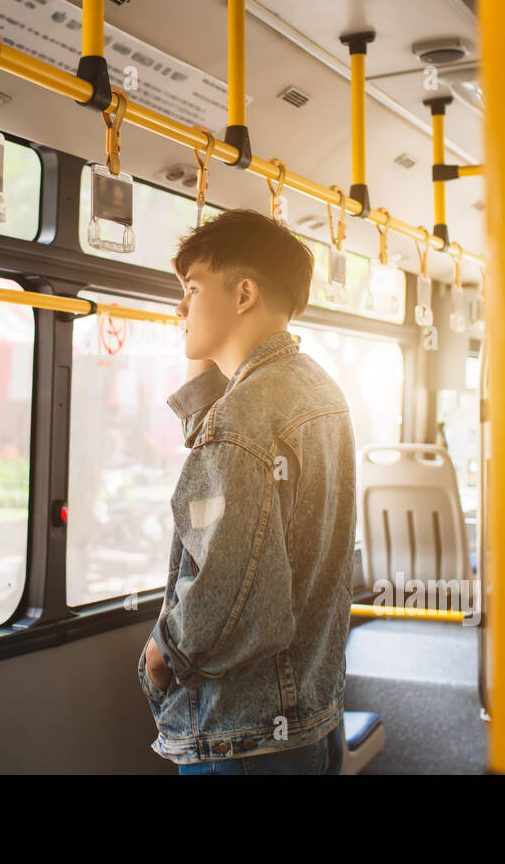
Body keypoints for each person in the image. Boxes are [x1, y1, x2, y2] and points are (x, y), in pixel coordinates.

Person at [136, 208, 356, 774]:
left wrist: (164, 653)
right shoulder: (318, 390)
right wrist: (207, 348)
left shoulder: (241, 420)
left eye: (190, 290)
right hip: (309, 713)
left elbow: (225, 588)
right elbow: (216, 438)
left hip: (242, 738)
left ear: (244, 294)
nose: (179, 309)